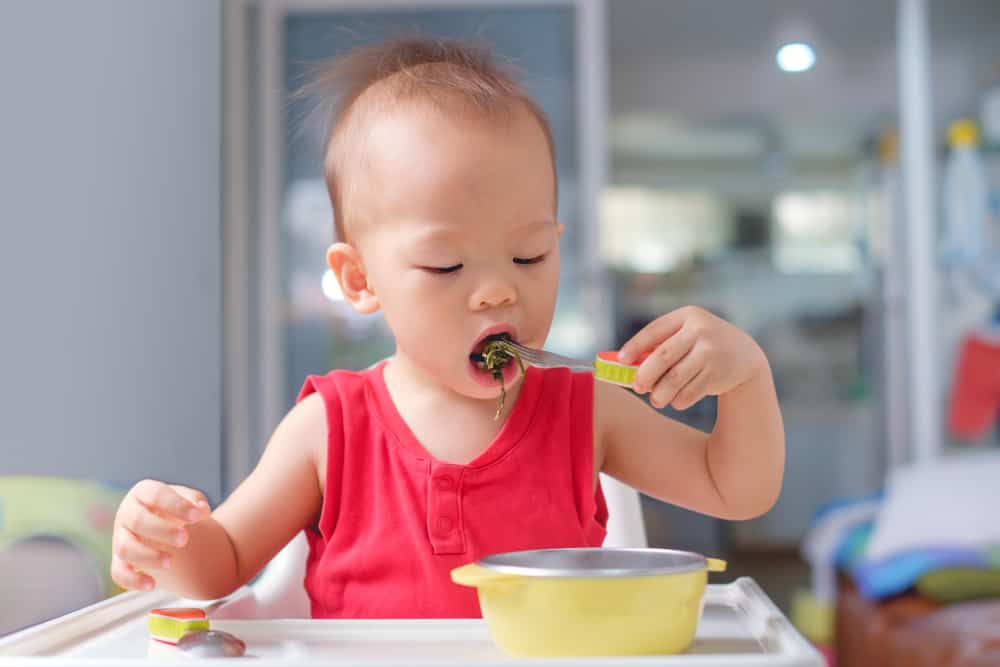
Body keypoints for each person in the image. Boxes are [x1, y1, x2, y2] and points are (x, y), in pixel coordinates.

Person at [110, 36, 784, 618]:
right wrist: (166, 539)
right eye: (445, 264)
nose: (498, 288)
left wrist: (747, 374)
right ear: (360, 280)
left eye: (530, 256)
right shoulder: (329, 428)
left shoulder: (587, 411)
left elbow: (738, 488)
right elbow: (221, 564)